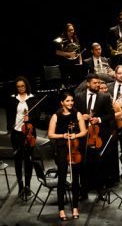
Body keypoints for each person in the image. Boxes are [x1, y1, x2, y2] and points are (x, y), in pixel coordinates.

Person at [47, 90, 87, 221]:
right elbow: (50, 134)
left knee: (76, 179)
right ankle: (61, 209)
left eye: (71, 100)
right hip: (62, 149)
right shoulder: (56, 116)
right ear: (62, 102)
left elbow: (84, 131)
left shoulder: (78, 114)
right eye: (67, 101)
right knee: (62, 180)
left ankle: (75, 207)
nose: (70, 103)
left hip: (75, 149)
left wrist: (75, 135)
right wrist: (63, 135)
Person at [75, 74, 115, 201]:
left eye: (99, 83)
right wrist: (81, 116)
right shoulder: (78, 97)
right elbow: (74, 114)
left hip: (98, 135)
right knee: (83, 163)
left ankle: (100, 190)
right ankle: (84, 191)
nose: (98, 85)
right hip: (83, 134)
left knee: (99, 163)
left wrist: (98, 119)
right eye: (95, 83)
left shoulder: (104, 97)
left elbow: (111, 115)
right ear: (88, 84)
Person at [6, 76, 44, 199]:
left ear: (26, 86)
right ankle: (20, 186)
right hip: (17, 132)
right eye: (18, 86)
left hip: (29, 133)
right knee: (17, 160)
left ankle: (27, 186)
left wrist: (30, 118)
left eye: (22, 86)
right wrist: (10, 126)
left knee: (28, 160)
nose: (21, 88)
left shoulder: (33, 99)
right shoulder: (12, 99)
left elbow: (38, 116)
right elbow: (9, 114)